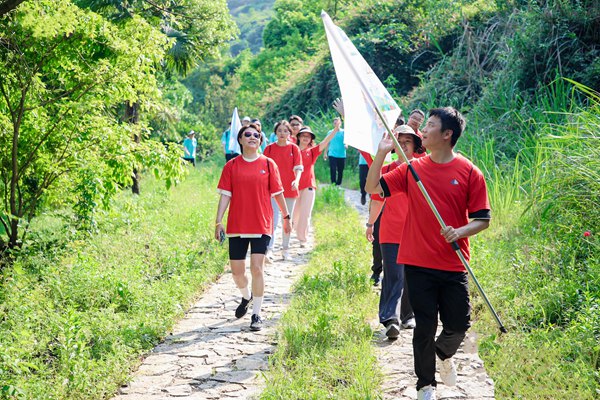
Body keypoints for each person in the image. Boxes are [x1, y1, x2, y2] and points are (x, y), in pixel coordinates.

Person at [365, 107, 491, 400]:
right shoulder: (412, 169)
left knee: (459, 325)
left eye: (430, 126)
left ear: (447, 135)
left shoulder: (470, 172)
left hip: (453, 262)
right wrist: (382, 154)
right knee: (424, 326)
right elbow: (373, 187)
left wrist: (459, 232)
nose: (423, 130)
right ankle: (426, 386)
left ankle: (443, 355)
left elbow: (483, 218)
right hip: (417, 262)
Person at [215, 123, 291, 332]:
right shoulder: (231, 166)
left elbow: (278, 193)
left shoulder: (268, 164)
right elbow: (225, 196)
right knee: (237, 273)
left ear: (260, 140)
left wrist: (286, 216)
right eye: (247, 134)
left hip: (262, 223)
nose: (252, 137)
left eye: (256, 135)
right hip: (237, 225)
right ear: (240, 140)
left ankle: (257, 313)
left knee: (257, 268)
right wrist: (218, 221)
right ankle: (246, 297)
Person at [364, 125, 424, 341]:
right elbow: (377, 198)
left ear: (416, 145)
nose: (404, 145)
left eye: (409, 141)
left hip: (415, 232)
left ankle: (408, 315)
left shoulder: (423, 169)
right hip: (390, 231)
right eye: (401, 140)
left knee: (411, 276)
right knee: (393, 276)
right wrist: (371, 224)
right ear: (394, 146)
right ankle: (390, 319)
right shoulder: (388, 171)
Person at [293, 123, 340, 246]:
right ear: (298, 137)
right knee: (294, 215)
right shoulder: (292, 150)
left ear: (311, 139)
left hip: (308, 186)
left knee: (305, 213)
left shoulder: (312, 152)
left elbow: (325, 142)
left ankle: (302, 238)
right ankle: (295, 232)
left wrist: (335, 130)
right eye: (303, 135)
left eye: (308, 136)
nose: (305, 138)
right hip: (294, 187)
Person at [263, 120, 303, 261]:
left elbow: (298, 167)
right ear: (275, 132)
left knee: (287, 219)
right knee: (272, 219)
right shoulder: (269, 149)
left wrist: (296, 180)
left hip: (290, 189)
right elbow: (263, 169)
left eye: (285, 131)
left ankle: (285, 249)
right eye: (279, 130)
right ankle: (269, 249)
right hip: (272, 190)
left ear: (289, 133)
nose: (282, 133)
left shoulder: (294, 149)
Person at [323, 117, 346, 185]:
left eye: (337, 123)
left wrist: (346, 145)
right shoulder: (330, 132)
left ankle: (339, 184)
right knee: (333, 169)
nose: (336, 124)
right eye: (335, 123)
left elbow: (347, 141)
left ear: (340, 124)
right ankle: (333, 183)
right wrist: (325, 153)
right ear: (333, 124)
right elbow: (327, 143)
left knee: (340, 170)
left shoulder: (344, 132)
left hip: (342, 155)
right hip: (332, 154)